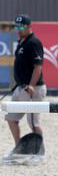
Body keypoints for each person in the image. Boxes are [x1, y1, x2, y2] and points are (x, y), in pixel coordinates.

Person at [4, 14, 47, 146]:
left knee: (33, 123)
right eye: (16, 26)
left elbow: (38, 67)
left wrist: (32, 86)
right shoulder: (21, 42)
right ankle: (19, 148)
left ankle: (39, 152)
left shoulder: (34, 42)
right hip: (21, 88)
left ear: (29, 27)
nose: (18, 29)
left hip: (33, 89)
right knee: (11, 118)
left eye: (21, 26)